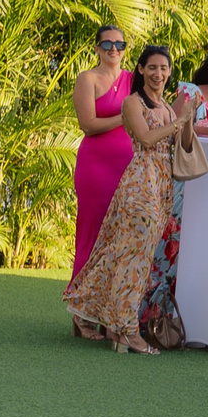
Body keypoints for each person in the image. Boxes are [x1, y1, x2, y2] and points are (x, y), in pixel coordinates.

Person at [64, 46, 188, 355]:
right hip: (140, 185)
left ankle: (119, 328)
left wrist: (186, 119)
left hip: (162, 184)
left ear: (170, 72)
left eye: (164, 68)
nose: (159, 74)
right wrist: (179, 121)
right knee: (131, 260)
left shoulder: (169, 109)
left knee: (140, 259)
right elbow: (146, 138)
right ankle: (127, 331)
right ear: (141, 70)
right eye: (153, 68)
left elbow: (178, 142)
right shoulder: (132, 102)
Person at [68, 23, 135, 301]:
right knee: (92, 232)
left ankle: (110, 307)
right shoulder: (88, 79)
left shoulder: (134, 79)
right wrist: (127, 115)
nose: (113, 49)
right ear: (97, 48)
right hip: (96, 167)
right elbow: (88, 124)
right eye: (107, 44)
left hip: (129, 167)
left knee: (122, 235)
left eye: (119, 45)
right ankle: (80, 305)